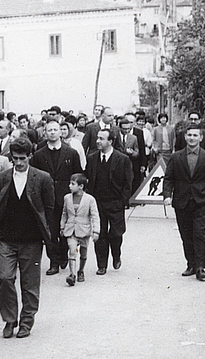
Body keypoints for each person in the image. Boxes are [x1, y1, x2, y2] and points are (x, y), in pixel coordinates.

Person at [0, 137, 55, 339]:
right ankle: (9, 319)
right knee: (5, 278)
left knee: (30, 283)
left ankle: (26, 321)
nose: (18, 162)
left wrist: (46, 235)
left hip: (32, 240)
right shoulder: (1, 179)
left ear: (30, 157)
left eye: (22, 158)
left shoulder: (42, 178)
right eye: (15, 158)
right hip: (6, 239)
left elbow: (49, 208)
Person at [163, 124, 205, 281]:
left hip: (201, 201)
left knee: (199, 233)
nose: (192, 138)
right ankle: (190, 264)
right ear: (185, 137)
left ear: (201, 138)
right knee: (186, 234)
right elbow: (168, 178)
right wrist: (167, 195)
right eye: (189, 135)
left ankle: (200, 267)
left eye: (195, 135)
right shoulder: (176, 157)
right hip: (181, 202)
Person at [30, 120, 83, 276]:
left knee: (67, 229)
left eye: (55, 129)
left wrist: (76, 195)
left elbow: (78, 174)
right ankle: (53, 261)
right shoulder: (39, 155)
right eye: (49, 130)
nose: (52, 132)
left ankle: (63, 254)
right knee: (50, 231)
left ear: (61, 132)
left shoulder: (71, 153)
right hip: (47, 199)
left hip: (66, 197)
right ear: (45, 133)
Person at [84, 130, 133, 275]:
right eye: (97, 138)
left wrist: (123, 200)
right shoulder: (92, 158)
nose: (97, 141)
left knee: (116, 233)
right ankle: (102, 265)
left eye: (101, 138)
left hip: (115, 202)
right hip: (98, 202)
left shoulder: (122, 159)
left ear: (110, 141)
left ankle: (116, 255)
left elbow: (128, 182)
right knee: (100, 234)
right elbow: (88, 178)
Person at [60, 174, 100, 286]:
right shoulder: (67, 198)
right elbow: (64, 213)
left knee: (83, 253)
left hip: (84, 230)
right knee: (72, 251)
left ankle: (81, 270)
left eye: (73, 184)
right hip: (71, 229)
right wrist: (62, 226)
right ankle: (72, 275)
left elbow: (95, 215)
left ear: (81, 186)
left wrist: (96, 231)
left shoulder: (90, 199)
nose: (69, 186)